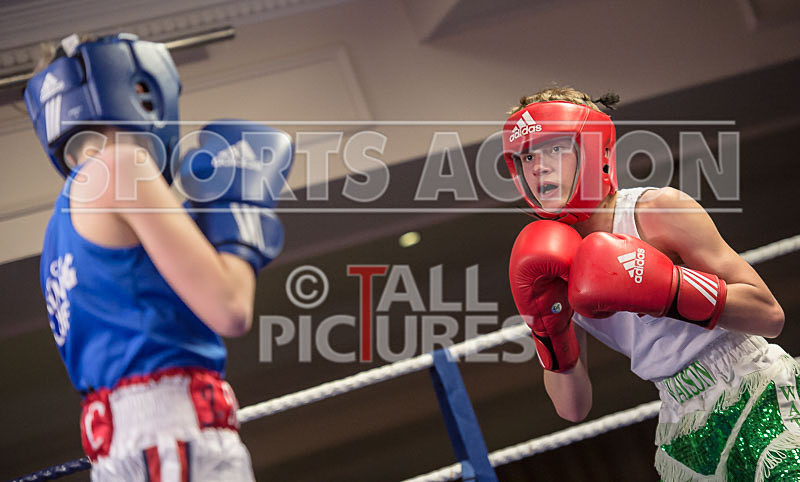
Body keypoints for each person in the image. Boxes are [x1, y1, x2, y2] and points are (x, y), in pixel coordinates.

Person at [25, 33, 293, 481]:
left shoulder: (59, 228)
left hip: (127, 445)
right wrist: (239, 214)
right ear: (137, 86)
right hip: (170, 434)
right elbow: (230, 308)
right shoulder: (121, 166)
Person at [504, 87, 799, 480]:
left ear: (593, 150)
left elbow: (769, 315)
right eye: (527, 156)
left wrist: (669, 290)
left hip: (750, 381)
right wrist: (547, 329)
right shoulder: (550, 263)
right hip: (680, 420)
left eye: (554, 148)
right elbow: (573, 408)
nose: (539, 167)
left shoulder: (657, 209)